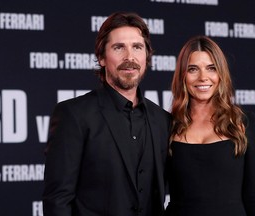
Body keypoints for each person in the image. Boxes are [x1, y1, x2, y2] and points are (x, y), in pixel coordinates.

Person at [42, 12, 171, 216]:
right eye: (119, 47)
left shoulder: (162, 120)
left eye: (137, 47)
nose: (130, 57)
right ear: (101, 57)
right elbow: (58, 200)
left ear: (147, 56)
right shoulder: (74, 114)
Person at [165, 35, 255, 216]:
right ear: (182, 75)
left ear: (221, 74)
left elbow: (252, 194)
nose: (203, 77)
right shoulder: (166, 126)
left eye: (211, 68)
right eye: (193, 69)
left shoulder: (242, 123)